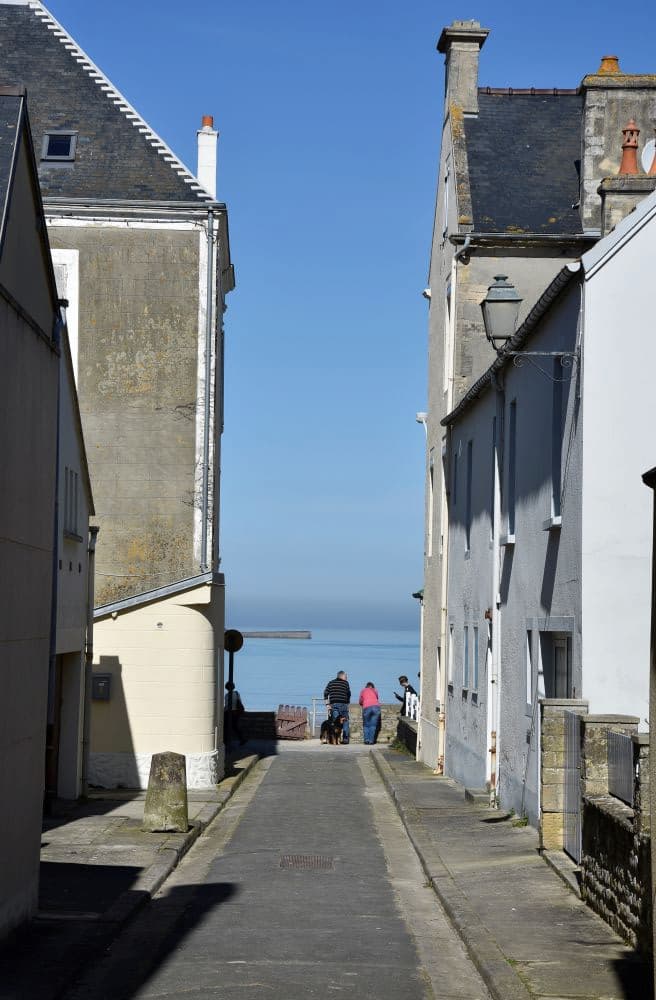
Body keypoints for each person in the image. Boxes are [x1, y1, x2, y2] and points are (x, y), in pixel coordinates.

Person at [323, 670, 351, 745]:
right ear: (341, 676)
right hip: (344, 705)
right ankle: (345, 739)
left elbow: (325, 693)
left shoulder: (331, 683)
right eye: (346, 677)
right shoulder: (346, 683)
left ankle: (334, 740)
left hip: (334, 704)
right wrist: (348, 702)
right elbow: (349, 693)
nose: (347, 678)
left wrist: (327, 704)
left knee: (335, 723)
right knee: (345, 721)